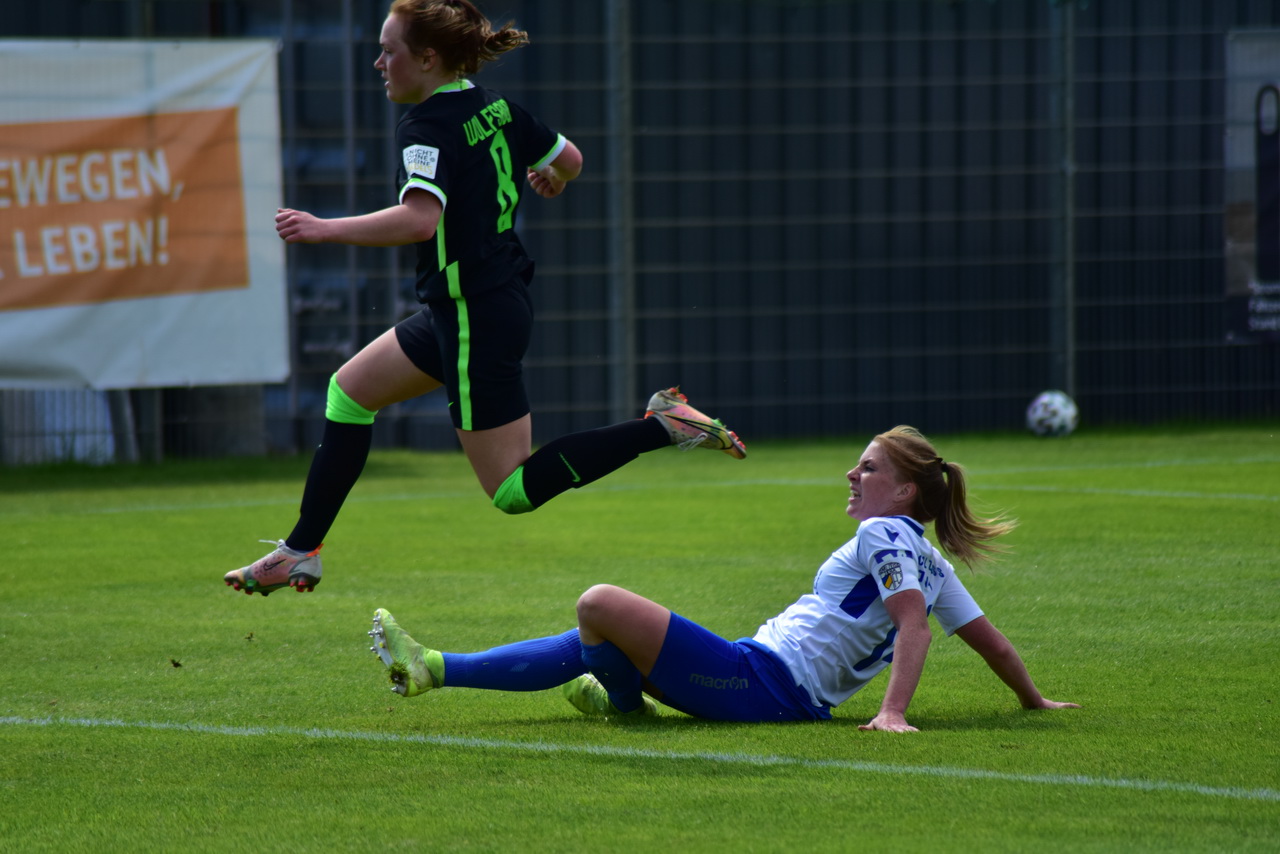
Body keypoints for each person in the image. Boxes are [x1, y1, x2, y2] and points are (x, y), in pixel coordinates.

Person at [224, 0, 745, 597]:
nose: (379, 62)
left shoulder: (424, 126)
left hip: (475, 315)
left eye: (389, 50)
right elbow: (570, 159)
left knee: (511, 491)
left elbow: (421, 220)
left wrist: (324, 227)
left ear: (427, 58)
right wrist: (555, 178)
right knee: (349, 392)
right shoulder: (496, 106)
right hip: (471, 307)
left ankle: (662, 425)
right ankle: (302, 549)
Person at [367, 426, 1081, 730]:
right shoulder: (931, 561)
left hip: (763, 685)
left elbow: (913, 629)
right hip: (760, 677)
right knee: (599, 634)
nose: (852, 474)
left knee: (599, 605)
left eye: (868, 467)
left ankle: (625, 706)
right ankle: (433, 667)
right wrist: (1034, 700)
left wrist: (892, 713)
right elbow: (993, 646)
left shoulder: (884, 531)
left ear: (904, 493)